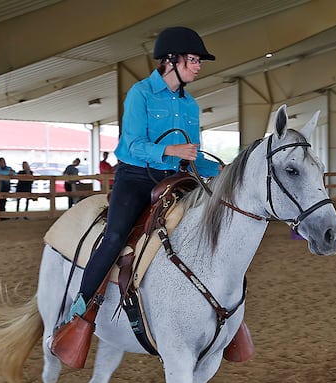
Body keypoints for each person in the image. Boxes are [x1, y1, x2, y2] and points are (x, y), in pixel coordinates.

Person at [66, 26, 220, 322]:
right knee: (114, 236)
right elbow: (133, 145)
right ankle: (82, 306)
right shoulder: (140, 94)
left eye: (199, 61)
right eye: (193, 60)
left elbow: (194, 155)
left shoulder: (191, 104)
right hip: (135, 178)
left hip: (175, 180)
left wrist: (223, 169)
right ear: (171, 60)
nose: (198, 66)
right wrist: (172, 151)